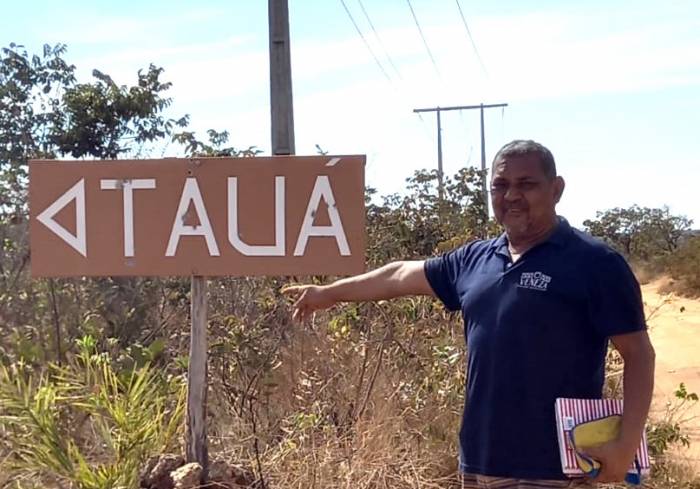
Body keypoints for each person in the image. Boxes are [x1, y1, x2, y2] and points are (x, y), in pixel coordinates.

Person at [283, 140, 655, 489]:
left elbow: (639, 354)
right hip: (481, 462)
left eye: (526, 184)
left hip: (556, 469)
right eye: (500, 185)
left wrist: (626, 444)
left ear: (556, 189)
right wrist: (328, 293)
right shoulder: (474, 259)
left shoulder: (595, 263)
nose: (511, 195)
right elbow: (398, 275)